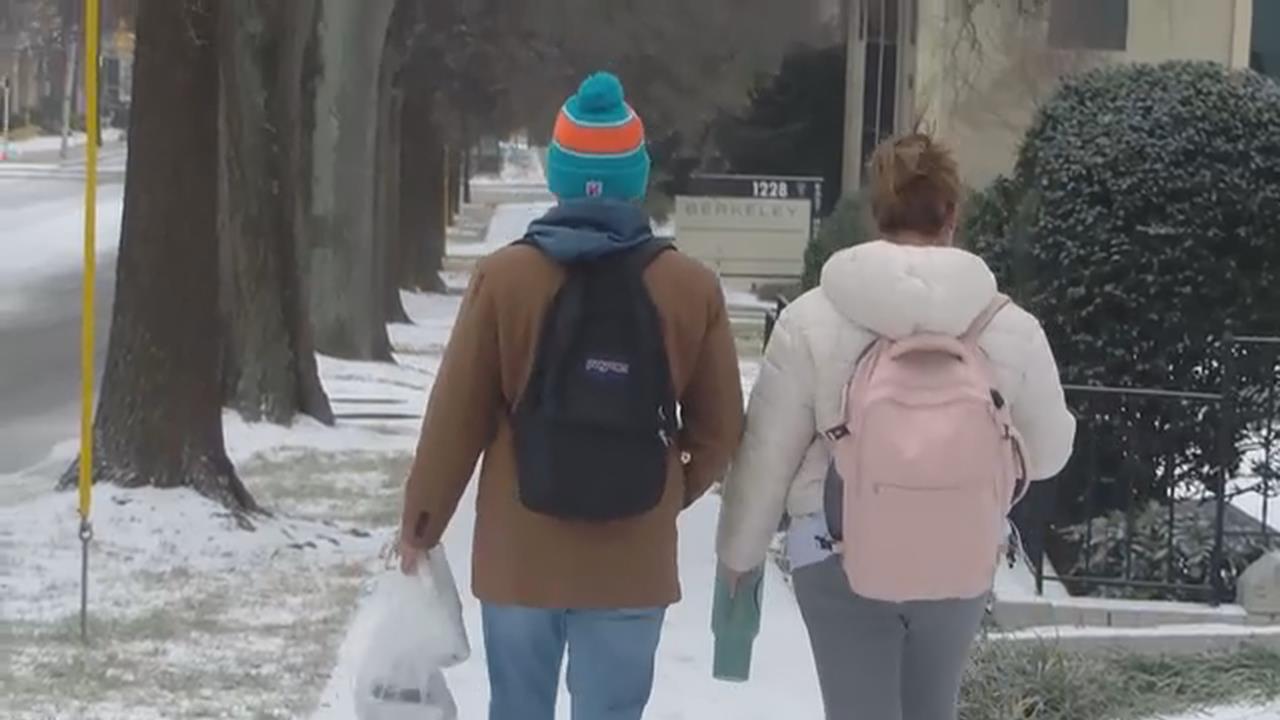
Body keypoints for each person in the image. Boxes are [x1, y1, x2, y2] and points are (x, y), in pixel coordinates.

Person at [396, 71, 744, 720]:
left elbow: (455, 420)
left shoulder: (503, 280)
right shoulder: (690, 287)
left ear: (558, 174)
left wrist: (421, 525)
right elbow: (719, 429)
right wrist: (673, 485)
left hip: (519, 553)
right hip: (632, 557)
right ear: (636, 177)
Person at [716, 132, 1076, 720]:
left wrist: (739, 555)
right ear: (952, 215)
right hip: (959, 550)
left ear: (875, 212)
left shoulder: (812, 318)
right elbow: (1053, 450)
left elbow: (766, 457)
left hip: (834, 553)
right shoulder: (1007, 325)